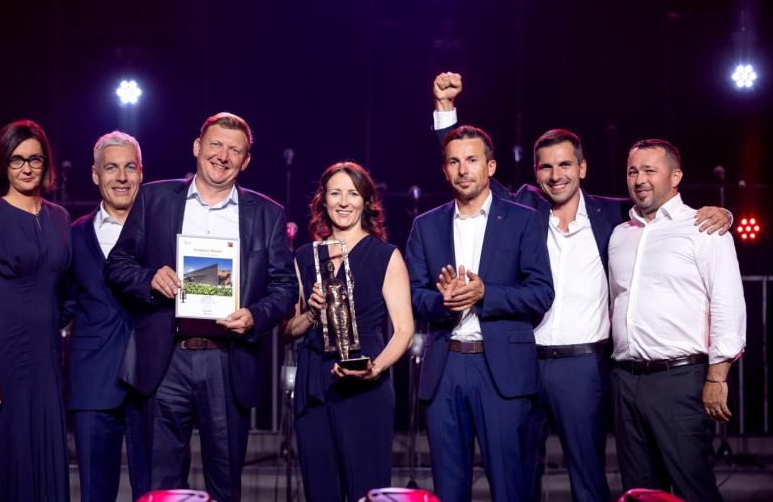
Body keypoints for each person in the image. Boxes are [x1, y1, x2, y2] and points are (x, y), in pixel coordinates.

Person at [431, 72, 733, 502]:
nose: (557, 176)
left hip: (584, 368)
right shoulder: (521, 209)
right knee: (520, 475)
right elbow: (469, 174)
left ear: (583, 168)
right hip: (523, 362)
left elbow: (662, 207)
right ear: (536, 172)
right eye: (547, 167)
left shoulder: (615, 217)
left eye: (566, 165)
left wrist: (722, 213)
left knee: (589, 479)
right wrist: (446, 111)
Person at [105, 112, 297, 502]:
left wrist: (255, 316)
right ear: (197, 147)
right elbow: (118, 265)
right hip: (166, 357)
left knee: (225, 485)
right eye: (215, 145)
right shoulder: (154, 198)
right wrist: (149, 279)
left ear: (246, 161)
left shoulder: (266, 213)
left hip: (227, 360)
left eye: (235, 150)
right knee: (162, 485)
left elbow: (285, 287)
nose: (223, 156)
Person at [406, 124, 555, 501]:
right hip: (446, 367)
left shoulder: (522, 219)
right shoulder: (426, 226)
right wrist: (444, 302)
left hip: (501, 370)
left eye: (472, 160)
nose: (463, 169)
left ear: (490, 167)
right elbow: (413, 295)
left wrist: (485, 293)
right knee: (449, 489)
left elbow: (541, 292)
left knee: (510, 488)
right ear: (445, 170)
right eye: (454, 161)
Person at [609, 139, 746, 502]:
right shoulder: (619, 235)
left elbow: (728, 304)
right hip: (626, 381)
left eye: (650, 170)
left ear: (676, 177)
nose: (640, 179)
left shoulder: (703, 227)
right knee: (639, 493)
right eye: (633, 171)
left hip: (679, 379)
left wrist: (718, 376)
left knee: (692, 488)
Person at [285, 162, 414, 502]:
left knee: (366, 490)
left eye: (353, 193)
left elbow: (403, 330)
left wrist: (375, 368)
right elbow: (290, 328)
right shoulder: (304, 256)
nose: (344, 202)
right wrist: (311, 312)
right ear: (323, 200)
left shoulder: (386, 256)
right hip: (315, 384)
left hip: (364, 382)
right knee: (320, 491)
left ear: (366, 201)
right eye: (335, 193)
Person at [0, 120, 71, 502]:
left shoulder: (59, 218)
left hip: (44, 361)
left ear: (45, 164)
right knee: (0, 464)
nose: (26, 168)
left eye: (35, 159)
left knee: (40, 457)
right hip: (0, 359)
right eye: (16, 159)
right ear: (3, 164)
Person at [62, 131, 150, 502]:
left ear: (141, 173)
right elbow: (61, 305)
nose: (121, 177)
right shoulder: (73, 235)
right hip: (93, 378)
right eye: (111, 168)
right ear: (95, 175)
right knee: (95, 493)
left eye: (130, 167)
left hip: (153, 379)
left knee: (155, 491)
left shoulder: (164, 226)